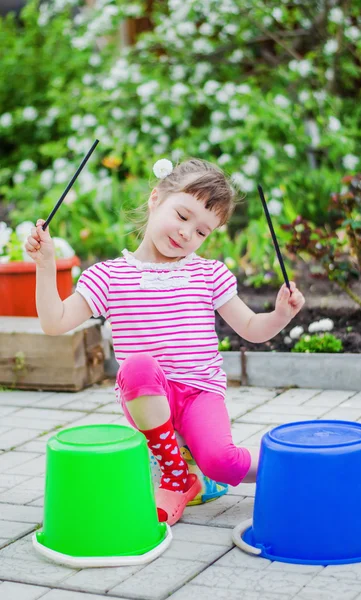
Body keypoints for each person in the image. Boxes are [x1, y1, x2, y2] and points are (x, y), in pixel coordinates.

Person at [25, 157, 305, 525]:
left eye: (203, 231)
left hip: (199, 393)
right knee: (139, 364)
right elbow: (54, 322)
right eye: (183, 215)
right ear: (156, 199)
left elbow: (252, 328)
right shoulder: (109, 276)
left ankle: (291, 468)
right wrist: (45, 266)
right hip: (145, 394)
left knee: (221, 462)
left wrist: (281, 314)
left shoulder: (208, 273)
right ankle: (175, 475)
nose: (188, 233)